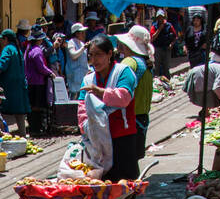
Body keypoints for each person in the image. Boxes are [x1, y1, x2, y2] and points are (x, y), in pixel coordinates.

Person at [80, 34, 138, 181]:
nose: (94, 60)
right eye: (91, 56)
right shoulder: (88, 79)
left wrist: (100, 92)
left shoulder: (123, 72)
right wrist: (85, 128)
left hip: (122, 138)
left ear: (110, 54)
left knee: (124, 185)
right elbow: (81, 108)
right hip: (97, 142)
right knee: (100, 187)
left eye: (98, 55)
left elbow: (124, 97)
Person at [117, 26, 154, 165]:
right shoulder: (146, 63)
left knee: (126, 163)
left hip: (130, 119)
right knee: (133, 162)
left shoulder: (130, 62)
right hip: (142, 118)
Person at [0, 30, 29, 136]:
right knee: (20, 114)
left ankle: (4, 136)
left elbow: (2, 65)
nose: (1, 42)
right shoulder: (17, 50)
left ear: (6, 39)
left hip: (9, 86)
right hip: (19, 86)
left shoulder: (7, 49)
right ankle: (23, 136)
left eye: (2, 39)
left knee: (3, 112)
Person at [24, 32, 58, 136]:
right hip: (37, 82)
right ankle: (36, 128)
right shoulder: (37, 51)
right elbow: (41, 67)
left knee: (33, 106)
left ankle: (34, 127)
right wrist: (50, 73)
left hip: (30, 81)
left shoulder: (29, 49)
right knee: (37, 106)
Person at [65, 23, 91, 97]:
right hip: (74, 76)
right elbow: (73, 55)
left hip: (83, 75)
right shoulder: (71, 43)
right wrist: (83, 48)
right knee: (74, 97)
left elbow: (84, 60)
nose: (84, 34)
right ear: (76, 33)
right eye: (81, 32)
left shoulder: (82, 44)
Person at [149, 12, 175, 86]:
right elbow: (152, 38)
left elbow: (175, 36)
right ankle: (157, 84)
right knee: (156, 67)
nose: (160, 19)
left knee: (166, 67)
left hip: (166, 48)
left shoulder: (169, 26)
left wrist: (171, 44)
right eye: (159, 17)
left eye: (161, 17)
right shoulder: (154, 26)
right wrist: (159, 29)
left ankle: (168, 83)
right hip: (157, 48)